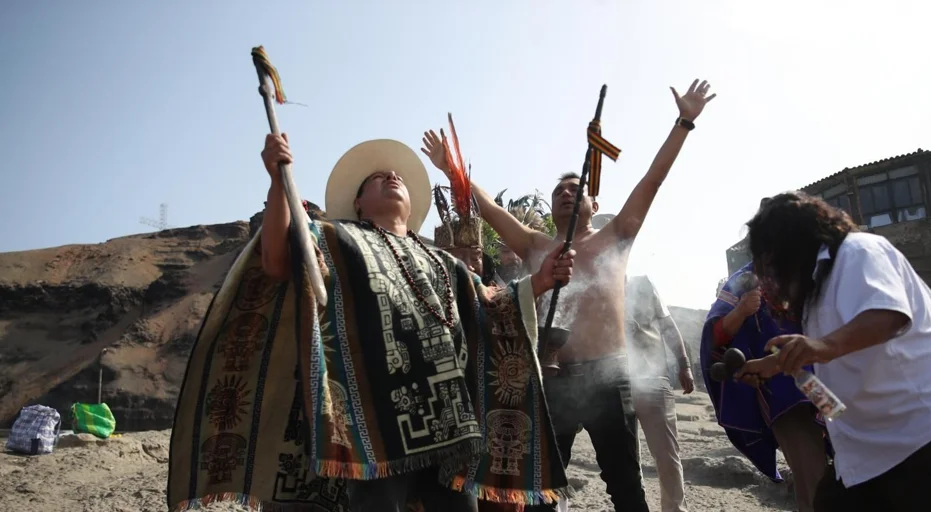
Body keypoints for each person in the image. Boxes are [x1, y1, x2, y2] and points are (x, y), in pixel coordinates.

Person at [167, 134, 577, 512]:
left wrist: (541, 281)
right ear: (359, 203)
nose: (392, 176)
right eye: (378, 178)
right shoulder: (333, 238)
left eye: (395, 176)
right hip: (372, 423)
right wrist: (278, 181)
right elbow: (276, 261)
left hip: (450, 425)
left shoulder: (444, 262)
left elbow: (490, 305)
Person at [421, 79, 716, 512]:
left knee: (626, 488)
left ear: (593, 204)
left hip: (610, 376)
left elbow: (652, 181)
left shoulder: (616, 236)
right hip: (553, 379)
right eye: (558, 190)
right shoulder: (536, 245)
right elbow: (489, 210)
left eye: (574, 189)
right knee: (541, 492)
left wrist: (684, 121)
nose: (564, 193)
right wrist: (453, 171)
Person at [739, 191, 931, 511]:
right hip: (868, 452)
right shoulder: (816, 298)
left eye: (773, 260)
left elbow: (889, 316)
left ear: (793, 246)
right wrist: (786, 368)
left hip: (926, 429)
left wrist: (820, 348)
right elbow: (834, 408)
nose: (773, 274)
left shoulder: (860, 251)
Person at [700, 261, 830, 512]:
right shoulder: (745, 279)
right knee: (811, 474)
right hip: (781, 392)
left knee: (846, 448)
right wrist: (740, 311)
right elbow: (715, 337)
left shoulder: (814, 268)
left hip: (819, 381)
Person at [625, 274, 695, 512]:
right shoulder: (597, 287)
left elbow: (667, 324)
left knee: (667, 455)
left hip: (653, 380)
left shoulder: (643, 284)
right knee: (626, 460)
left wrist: (684, 364)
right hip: (615, 385)